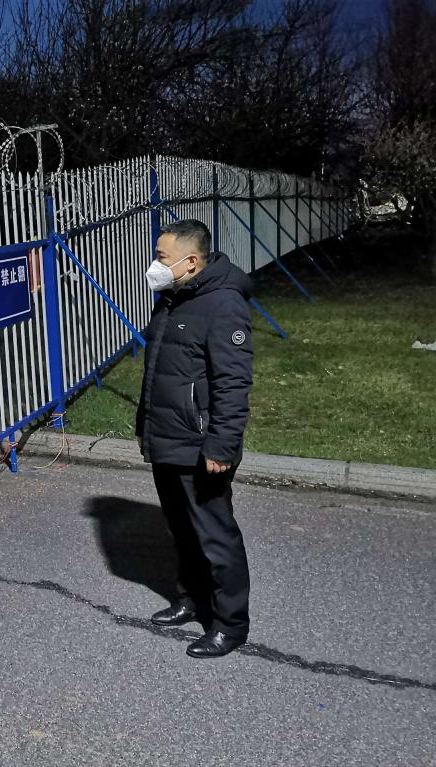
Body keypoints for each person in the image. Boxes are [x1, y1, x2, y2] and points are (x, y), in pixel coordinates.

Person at [136, 219, 253, 659]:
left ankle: (230, 624)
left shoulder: (223, 304)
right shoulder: (174, 298)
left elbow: (233, 382)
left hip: (201, 445)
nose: (154, 265)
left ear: (190, 261)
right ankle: (191, 599)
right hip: (167, 436)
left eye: (161, 257)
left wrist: (221, 445)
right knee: (181, 529)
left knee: (215, 537)